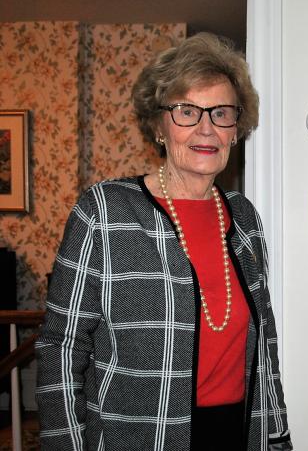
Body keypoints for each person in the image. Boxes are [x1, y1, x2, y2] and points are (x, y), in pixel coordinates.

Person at [35, 33, 292, 450]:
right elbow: (62, 349)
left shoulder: (244, 218)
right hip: (139, 437)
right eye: (187, 111)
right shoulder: (105, 211)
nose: (206, 129)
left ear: (235, 129)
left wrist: (277, 437)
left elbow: (265, 349)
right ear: (158, 125)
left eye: (221, 113)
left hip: (238, 432)